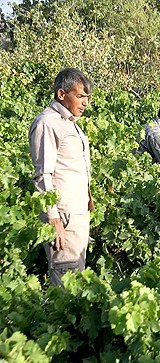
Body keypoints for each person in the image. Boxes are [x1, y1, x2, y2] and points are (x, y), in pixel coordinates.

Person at [28, 68, 95, 287]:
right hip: (63, 216)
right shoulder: (48, 123)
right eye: (79, 96)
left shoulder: (70, 124)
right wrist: (53, 218)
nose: (85, 103)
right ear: (61, 94)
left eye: (87, 97)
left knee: (76, 277)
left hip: (75, 213)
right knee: (66, 282)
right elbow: (42, 175)